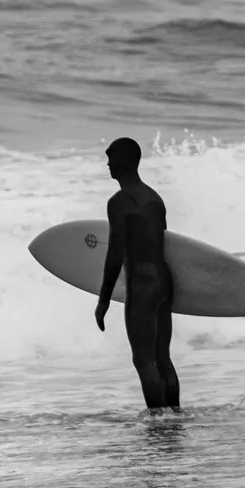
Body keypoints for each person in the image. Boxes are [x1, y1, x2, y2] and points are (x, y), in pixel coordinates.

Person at [95, 136, 181, 410]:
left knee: (143, 359)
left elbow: (115, 254)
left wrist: (104, 300)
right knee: (162, 357)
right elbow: (165, 244)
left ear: (122, 161)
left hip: (142, 286)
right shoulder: (155, 198)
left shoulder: (120, 202)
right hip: (164, 282)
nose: (108, 164)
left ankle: (157, 420)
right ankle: (175, 415)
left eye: (110, 158)